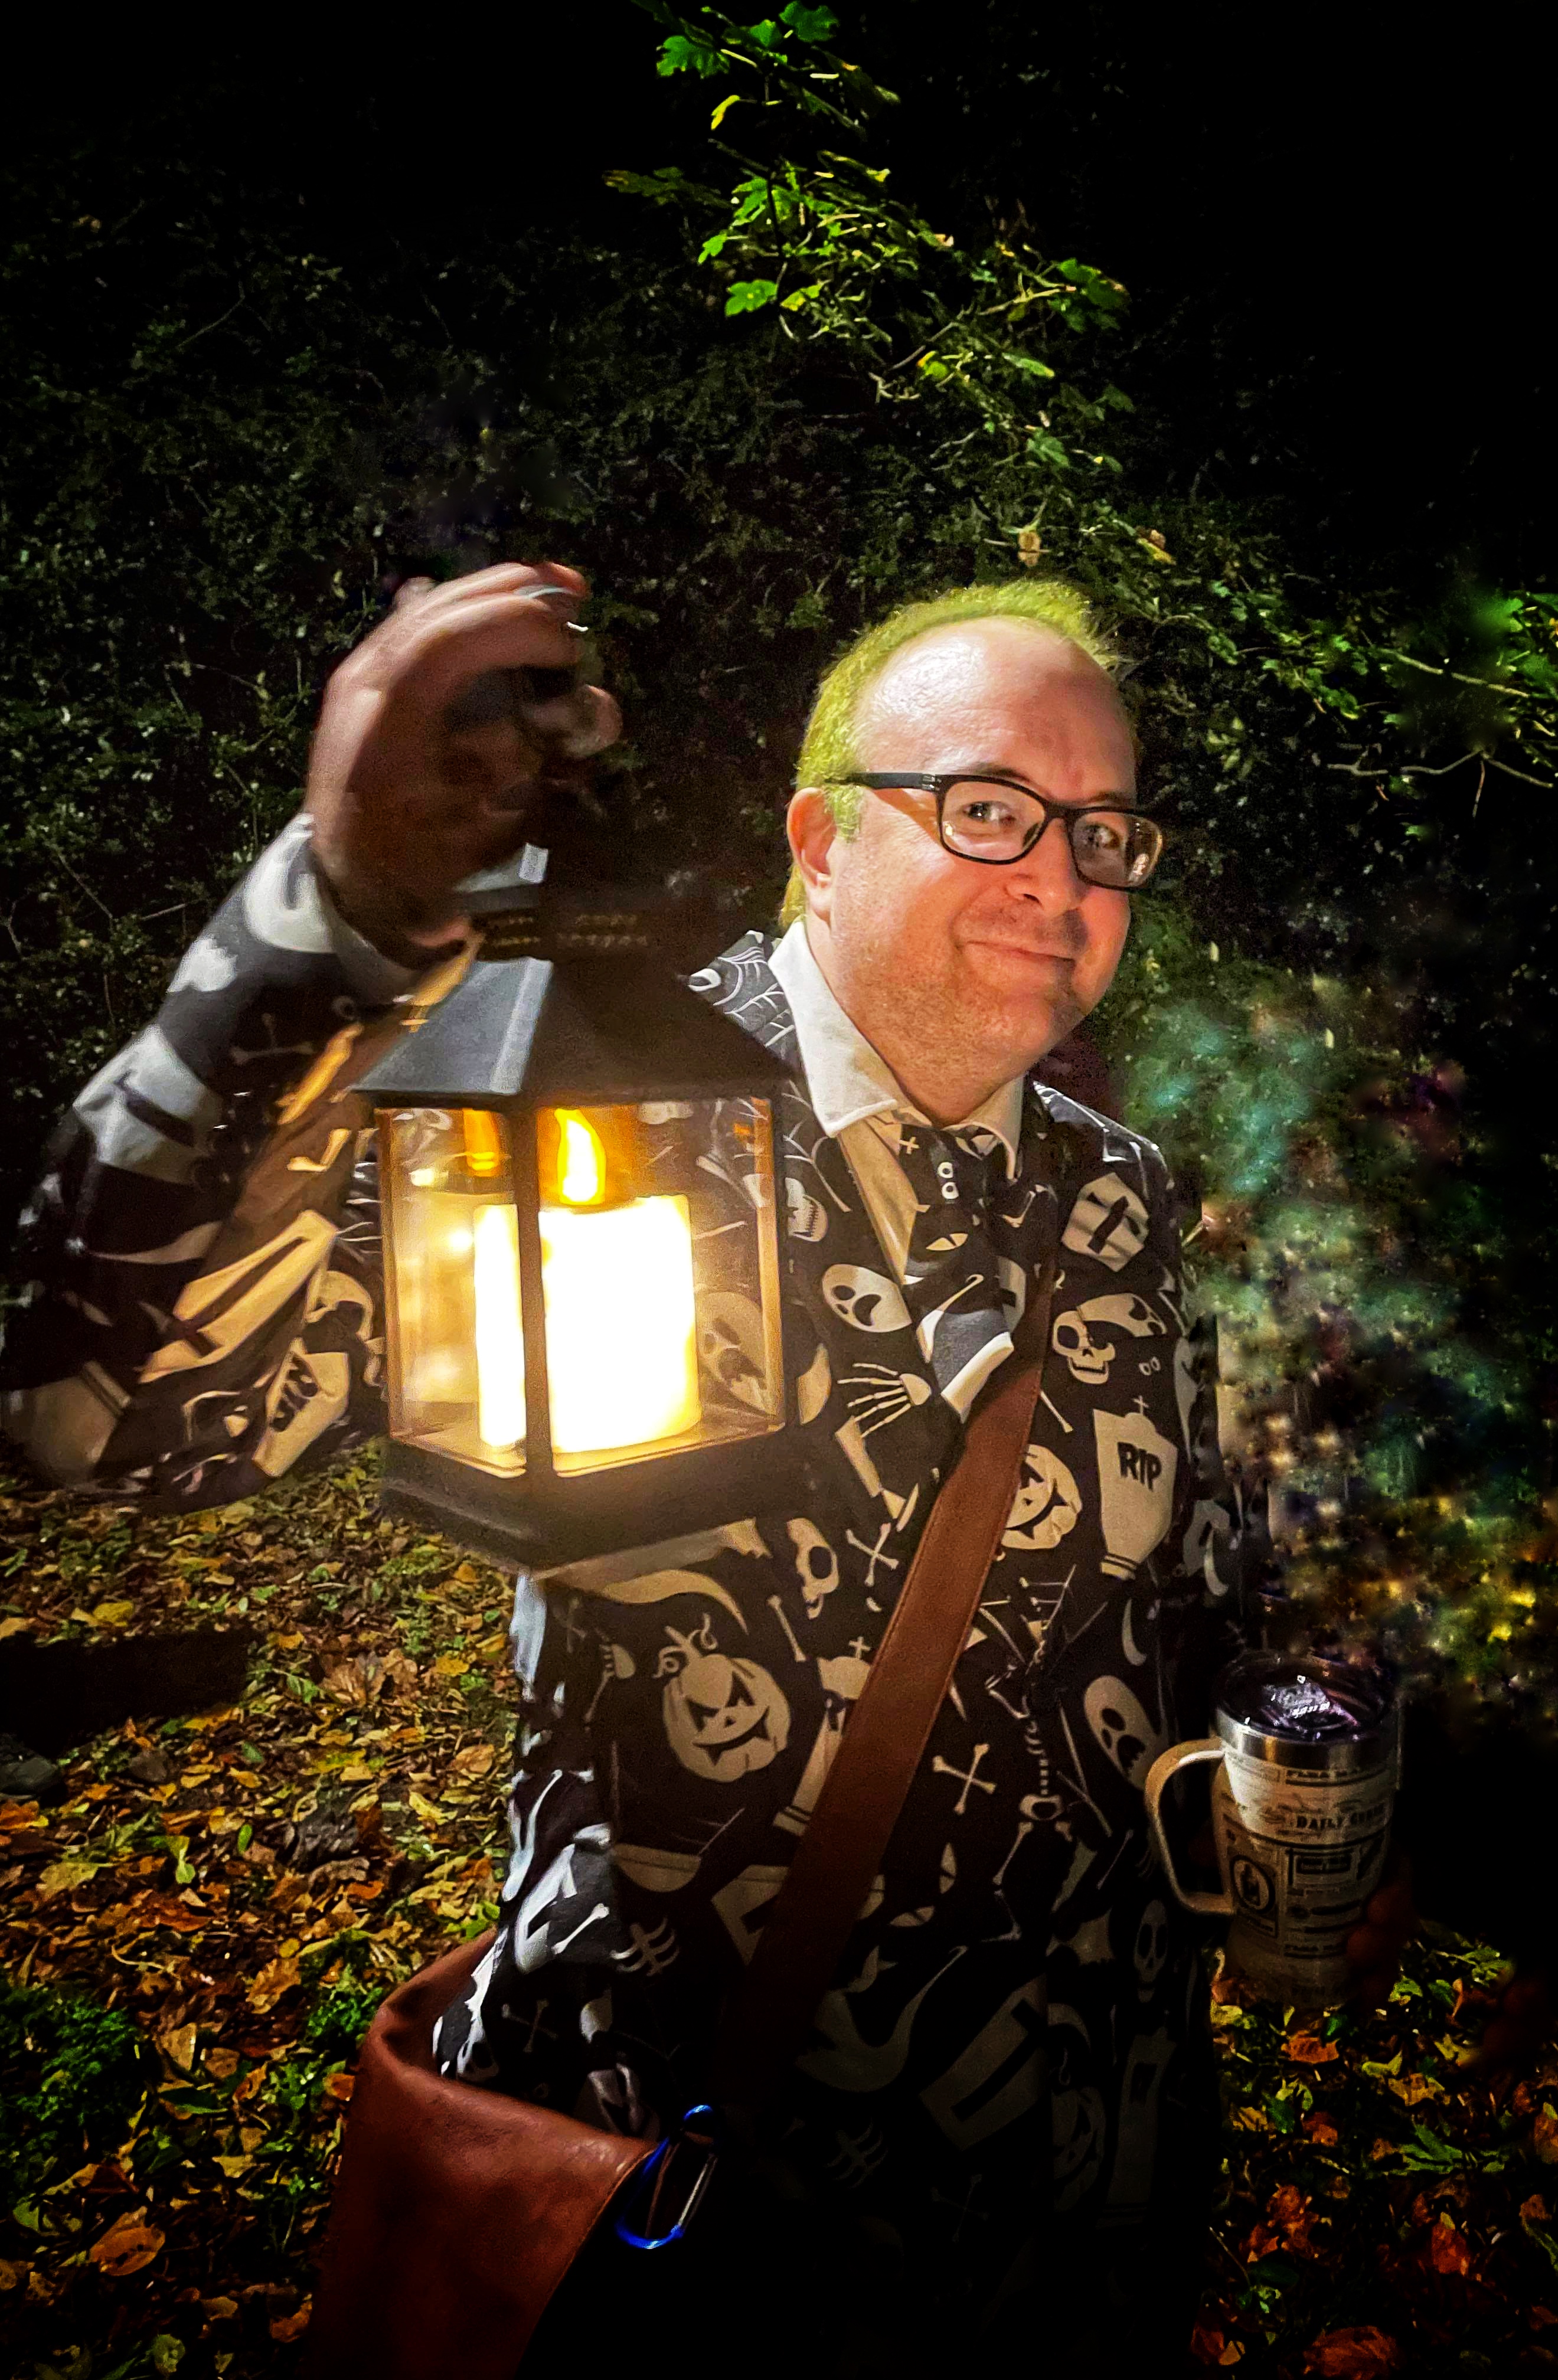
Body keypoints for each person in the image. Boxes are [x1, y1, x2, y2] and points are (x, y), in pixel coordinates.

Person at [1, 564, 1409, 2363]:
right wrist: (337, 914)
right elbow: (91, 1407)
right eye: (990, 809)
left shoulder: (1120, 1193)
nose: (1061, 877)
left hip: (1084, 2205)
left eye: (1106, 833)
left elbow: (1188, 1599)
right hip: (690, 2205)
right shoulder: (574, 1115)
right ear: (821, 841)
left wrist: (1317, 1773)